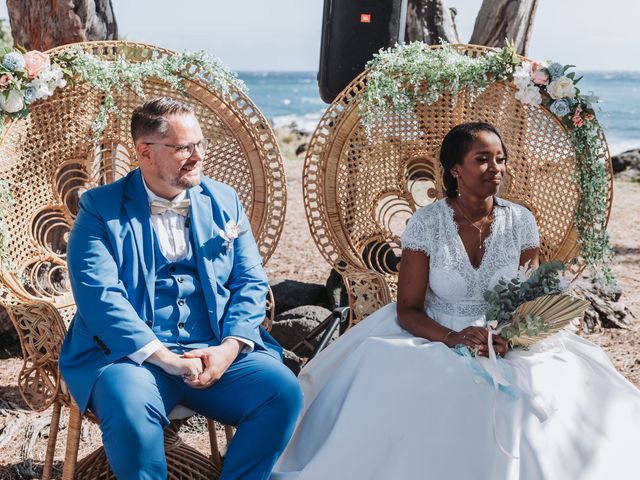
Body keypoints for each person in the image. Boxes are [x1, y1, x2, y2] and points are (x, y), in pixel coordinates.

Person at [271, 122, 640, 479]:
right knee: (430, 386)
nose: (495, 168)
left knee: (545, 391)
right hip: (434, 333)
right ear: (455, 170)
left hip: (504, 339)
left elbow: (531, 297)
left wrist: (510, 338)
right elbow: (408, 309)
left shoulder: (522, 221)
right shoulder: (426, 224)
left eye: (500, 159)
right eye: (482, 159)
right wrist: (453, 338)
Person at [59, 97, 303, 480]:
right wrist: (166, 359)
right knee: (129, 409)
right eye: (184, 148)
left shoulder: (224, 200)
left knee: (282, 394)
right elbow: (100, 297)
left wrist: (229, 349)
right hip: (132, 358)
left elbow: (251, 283)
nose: (197, 156)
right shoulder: (99, 210)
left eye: (200, 144)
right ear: (145, 152)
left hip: (214, 348)